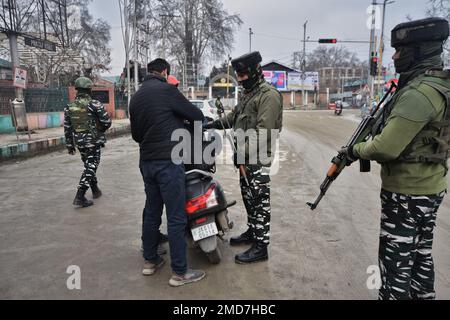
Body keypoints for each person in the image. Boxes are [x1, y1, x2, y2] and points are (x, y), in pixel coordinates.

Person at [341, 17, 449, 300]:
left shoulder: (418, 94)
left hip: (406, 194)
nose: (394, 56)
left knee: (395, 266)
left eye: (400, 51)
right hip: (430, 186)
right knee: (421, 256)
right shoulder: (438, 85)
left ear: (419, 50)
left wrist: (356, 150)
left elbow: (385, 147)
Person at [129, 58, 206, 287]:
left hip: (147, 162)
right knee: (176, 216)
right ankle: (180, 273)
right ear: (164, 72)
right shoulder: (166, 90)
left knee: (152, 211)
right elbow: (196, 115)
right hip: (169, 161)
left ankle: (150, 262)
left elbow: (136, 136)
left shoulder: (136, 97)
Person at [205, 51, 283, 264]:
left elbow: (264, 133)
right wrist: (211, 123)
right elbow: (234, 117)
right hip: (245, 160)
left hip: (257, 160)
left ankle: (261, 246)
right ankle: (253, 232)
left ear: (256, 72)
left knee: (259, 202)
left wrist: (242, 153)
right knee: (249, 199)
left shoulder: (269, 96)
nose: (241, 81)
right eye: (238, 77)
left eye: (243, 77)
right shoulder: (249, 94)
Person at [64, 77, 112, 208]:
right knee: (91, 166)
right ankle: (80, 196)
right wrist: (98, 130)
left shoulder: (69, 106)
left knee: (88, 165)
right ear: (89, 89)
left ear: (77, 90)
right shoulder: (94, 104)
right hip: (93, 141)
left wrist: (70, 145)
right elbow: (107, 122)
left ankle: (95, 190)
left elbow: (67, 127)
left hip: (79, 142)